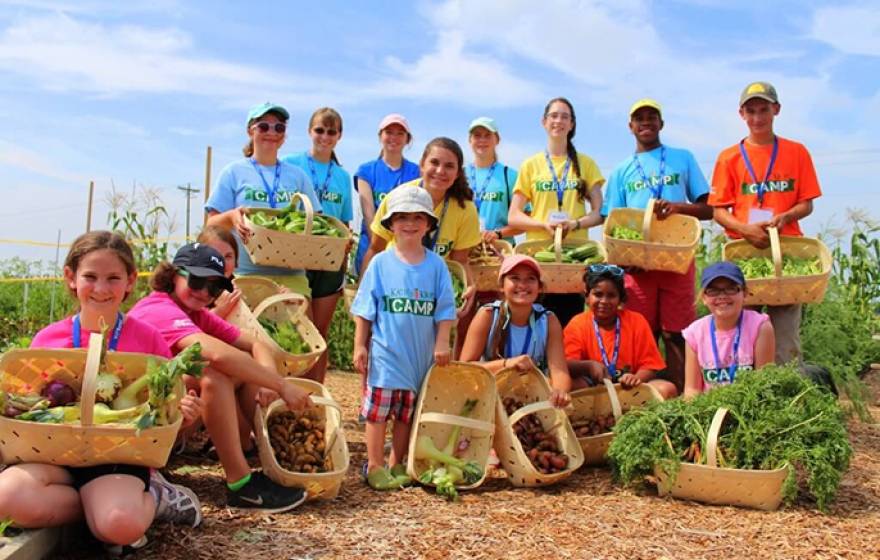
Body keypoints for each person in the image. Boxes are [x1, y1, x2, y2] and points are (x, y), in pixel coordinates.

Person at [0, 231, 202, 554]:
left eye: (113, 278)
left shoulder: (148, 340)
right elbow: (33, 408)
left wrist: (188, 417)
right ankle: (99, 506)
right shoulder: (49, 339)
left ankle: (154, 498)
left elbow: (167, 423)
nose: (101, 288)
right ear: (71, 278)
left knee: (119, 525)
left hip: (119, 458)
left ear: (131, 281)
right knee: (6, 500)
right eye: (90, 277)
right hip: (56, 456)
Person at [128, 243, 312, 512]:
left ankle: (282, 460)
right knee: (214, 373)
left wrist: (268, 380)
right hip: (137, 424)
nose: (204, 292)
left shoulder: (196, 314)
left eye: (214, 287)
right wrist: (282, 385)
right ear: (173, 275)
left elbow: (257, 344)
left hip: (169, 414)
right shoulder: (157, 308)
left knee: (247, 374)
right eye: (197, 280)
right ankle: (241, 484)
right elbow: (214, 353)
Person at [601, 98, 713, 394]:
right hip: (638, 267)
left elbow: (707, 209)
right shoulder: (621, 171)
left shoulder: (682, 157)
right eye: (640, 119)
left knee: (677, 333)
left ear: (661, 124)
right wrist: (624, 261)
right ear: (631, 127)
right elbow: (613, 224)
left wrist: (677, 207)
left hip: (676, 260)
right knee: (642, 333)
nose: (646, 123)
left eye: (652, 117)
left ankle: (684, 395)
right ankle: (644, 400)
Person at [709, 81, 822, 365]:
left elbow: (806, 203)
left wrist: (786, 217)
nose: (757, 118)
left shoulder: (796, 152)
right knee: (739, 332)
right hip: (744, 252)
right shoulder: (729, 158)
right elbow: (718, 211)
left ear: (776, 110)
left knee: (785, 337)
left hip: (785, 252)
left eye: (764, 110)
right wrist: (745, 229)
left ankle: (786, 395)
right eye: (751, 111)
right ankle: (740, 395)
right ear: (741, 114)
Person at [351, 186, 456, 489]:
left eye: (417, 218)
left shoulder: (436, 266)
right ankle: (373, 464)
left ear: (428, 224)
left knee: (406, 413)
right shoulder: (381, 264)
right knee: (378, 412)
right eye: (402, 218)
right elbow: (365, 309)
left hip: (419, 355)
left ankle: (398, 462)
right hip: (386, 353)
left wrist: (442, 342)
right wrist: (360, 345)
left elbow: (445, 308)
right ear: (390, 224)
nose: (409, 224)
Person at [362, 137, 480, 356]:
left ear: (458, 173)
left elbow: (459, 262)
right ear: (422, 164)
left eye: (449, 166)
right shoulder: (397, 197)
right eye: (434, 162)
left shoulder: (465, 209)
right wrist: (363, 292)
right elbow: (375, 248)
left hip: (430, 297)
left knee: (425, 357)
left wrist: (469, 286)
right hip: (393, 289)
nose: (440, 171)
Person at [205, 102, 322, 299]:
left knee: (296, 329)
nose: (272, 132)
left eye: (279, 127)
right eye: (264, 126)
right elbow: (211, 223)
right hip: (248, 274)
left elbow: (317, 220)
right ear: (250, 131)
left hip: (292, 275)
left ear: (284, 135)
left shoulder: (297, 176)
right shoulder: (233, 172)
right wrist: (233, 217)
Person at [508, 97, 605, 327]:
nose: (558, 121)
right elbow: (514, 215)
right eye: (553, 115)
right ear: (544, 122)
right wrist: (542, 225)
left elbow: (600, 212)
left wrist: (576, 224)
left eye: (564, 116)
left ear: (572, 124)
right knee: (537, 324)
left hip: (574, 258)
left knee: (570, 325)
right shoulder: (531, 165)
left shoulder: (586, 163)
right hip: (540, 257)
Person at [282, 107, 353, 383]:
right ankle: (287, 390)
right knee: (296, 329)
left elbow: (345, 221)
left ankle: (315, 393)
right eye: (320, 130)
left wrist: (345, 251)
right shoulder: (291, 163)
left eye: (331, 132)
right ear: (310, 132)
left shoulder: (342, 176)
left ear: (339, 136)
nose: (325, 137)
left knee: (319, 333)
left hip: (329, 259)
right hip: (296, 255)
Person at [459, 254, 571, 408]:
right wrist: (507, 364)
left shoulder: (548, 320)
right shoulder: (488, 315)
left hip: (533, 400)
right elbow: (465, 369)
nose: (522, 285)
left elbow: (559, 372)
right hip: (491, 397)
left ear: (539, 287)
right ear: (501, 286)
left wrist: (559, 392)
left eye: (530, 279)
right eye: (515, 278)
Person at [563, 264, 678, 399]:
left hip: (629, 390)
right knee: (566, 385)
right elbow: (567, 363)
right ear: (587, 296)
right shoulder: (577, 323)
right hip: (594, 390)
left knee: (667, 389)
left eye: (611, 295)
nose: (604, 301)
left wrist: (636, 378)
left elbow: (650, 365)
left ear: (621, 298)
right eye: (598, 294)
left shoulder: (636, 321)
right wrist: (588, 366)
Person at [682, 262, 775, 399]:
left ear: (744, 293)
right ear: (704, 298)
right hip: (710, 409)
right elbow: (692, 390)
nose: (722, 296)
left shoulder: (760, 327)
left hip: (749, 407)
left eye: (731, 289)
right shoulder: (695, 333)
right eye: (713, 291)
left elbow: (765, 383)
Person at [353, 113, 420, 275]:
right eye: (389, 132)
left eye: (400, 133)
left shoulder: (417, 172)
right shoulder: (366, 171)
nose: (394, 138)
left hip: (406, 249)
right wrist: (381, 246)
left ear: (407, 139)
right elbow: (369, 215)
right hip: (371, 246)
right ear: (380, 136)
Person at [466, 117, 520, 244]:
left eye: (487, 135)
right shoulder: (459, 175)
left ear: (497, 140)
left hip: (501, 249)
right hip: (466, 249)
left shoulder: (510, 175)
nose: (482, 140)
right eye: (477, 136)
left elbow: (525, 218)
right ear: (470, 140)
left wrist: (498, 233)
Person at [196, 225, 242, 319]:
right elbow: (190, 327)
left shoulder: (238, 286)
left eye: (228, 256)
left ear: (236, 260)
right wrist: (219, 311)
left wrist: (278, 298)